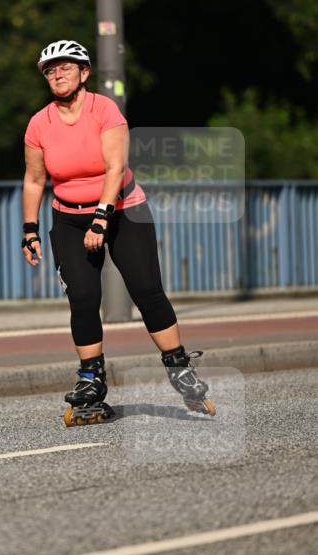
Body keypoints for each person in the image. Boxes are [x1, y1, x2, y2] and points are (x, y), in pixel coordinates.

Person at [22, 39, 214, 424]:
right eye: (50, 70)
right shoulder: (39, 123)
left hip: (124, 210)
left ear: (84, 73)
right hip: (69, 217)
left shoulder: (103, 109)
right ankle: (91, 379)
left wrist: (101, 218)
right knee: (83, 295)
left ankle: (179, 366)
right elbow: (34, 179)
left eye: (65, 67)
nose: (57, 74)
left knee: (145, 289)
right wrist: (30, 230)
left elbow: (114, 168)